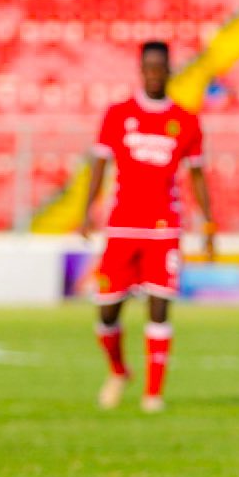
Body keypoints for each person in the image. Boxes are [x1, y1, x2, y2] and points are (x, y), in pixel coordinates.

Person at [81, 41, 215, 413]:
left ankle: (153, 394)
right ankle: (119, 371)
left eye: (161, 68)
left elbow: (197, 175)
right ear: (141, 70)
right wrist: (88, 210)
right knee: (107, 312)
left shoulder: (186, 120)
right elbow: (99, 163)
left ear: (169, 70)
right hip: (121, 226)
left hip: (164, 228)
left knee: (159, 308)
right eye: (149, 68)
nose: (155, 74)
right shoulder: (117, 114)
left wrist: (208, 222)